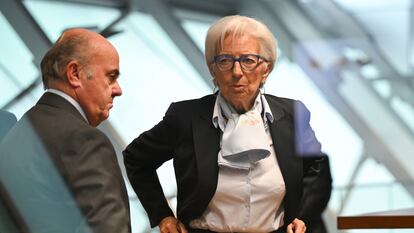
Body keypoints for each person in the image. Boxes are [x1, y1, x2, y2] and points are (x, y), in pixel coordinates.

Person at [124, 15, 322, 233]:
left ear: (266, 69)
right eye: (225, 60)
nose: (237, 72)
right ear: (213, 70)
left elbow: (316, 169)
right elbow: (136, 159)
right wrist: (162, 215)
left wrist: (302, 215)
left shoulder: (293, 114)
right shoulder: (185, 117)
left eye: (248, 60)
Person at [0, 29, 131, 233]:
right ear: (75, 74)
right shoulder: (82, 139)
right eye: (110, 76)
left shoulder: (16, 137)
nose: (118, 89)